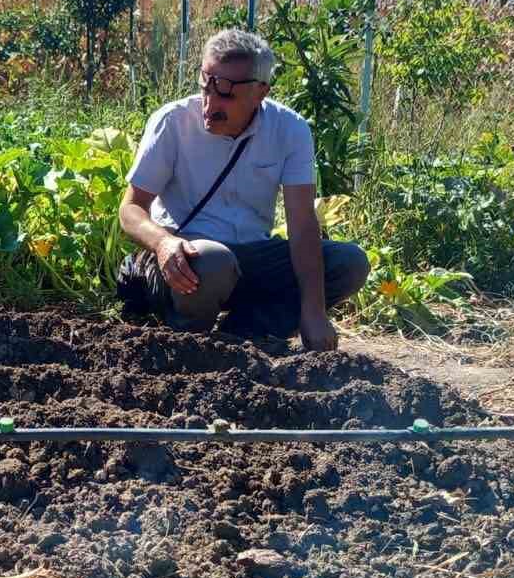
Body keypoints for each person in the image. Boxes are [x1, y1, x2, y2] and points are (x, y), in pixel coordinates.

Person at [118, 28, 368, 350]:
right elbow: (130, 209)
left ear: (261, 92)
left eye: (226, 94)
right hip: (186, 259)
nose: (210, 104)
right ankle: (189, 347)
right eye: (206, 87)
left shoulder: (290, 130)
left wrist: (315, 312)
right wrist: (164, 243)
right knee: (213, 260)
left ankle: (246, 335)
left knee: (350, 262)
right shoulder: (172, 122)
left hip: (252, 257)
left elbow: (303, 225)